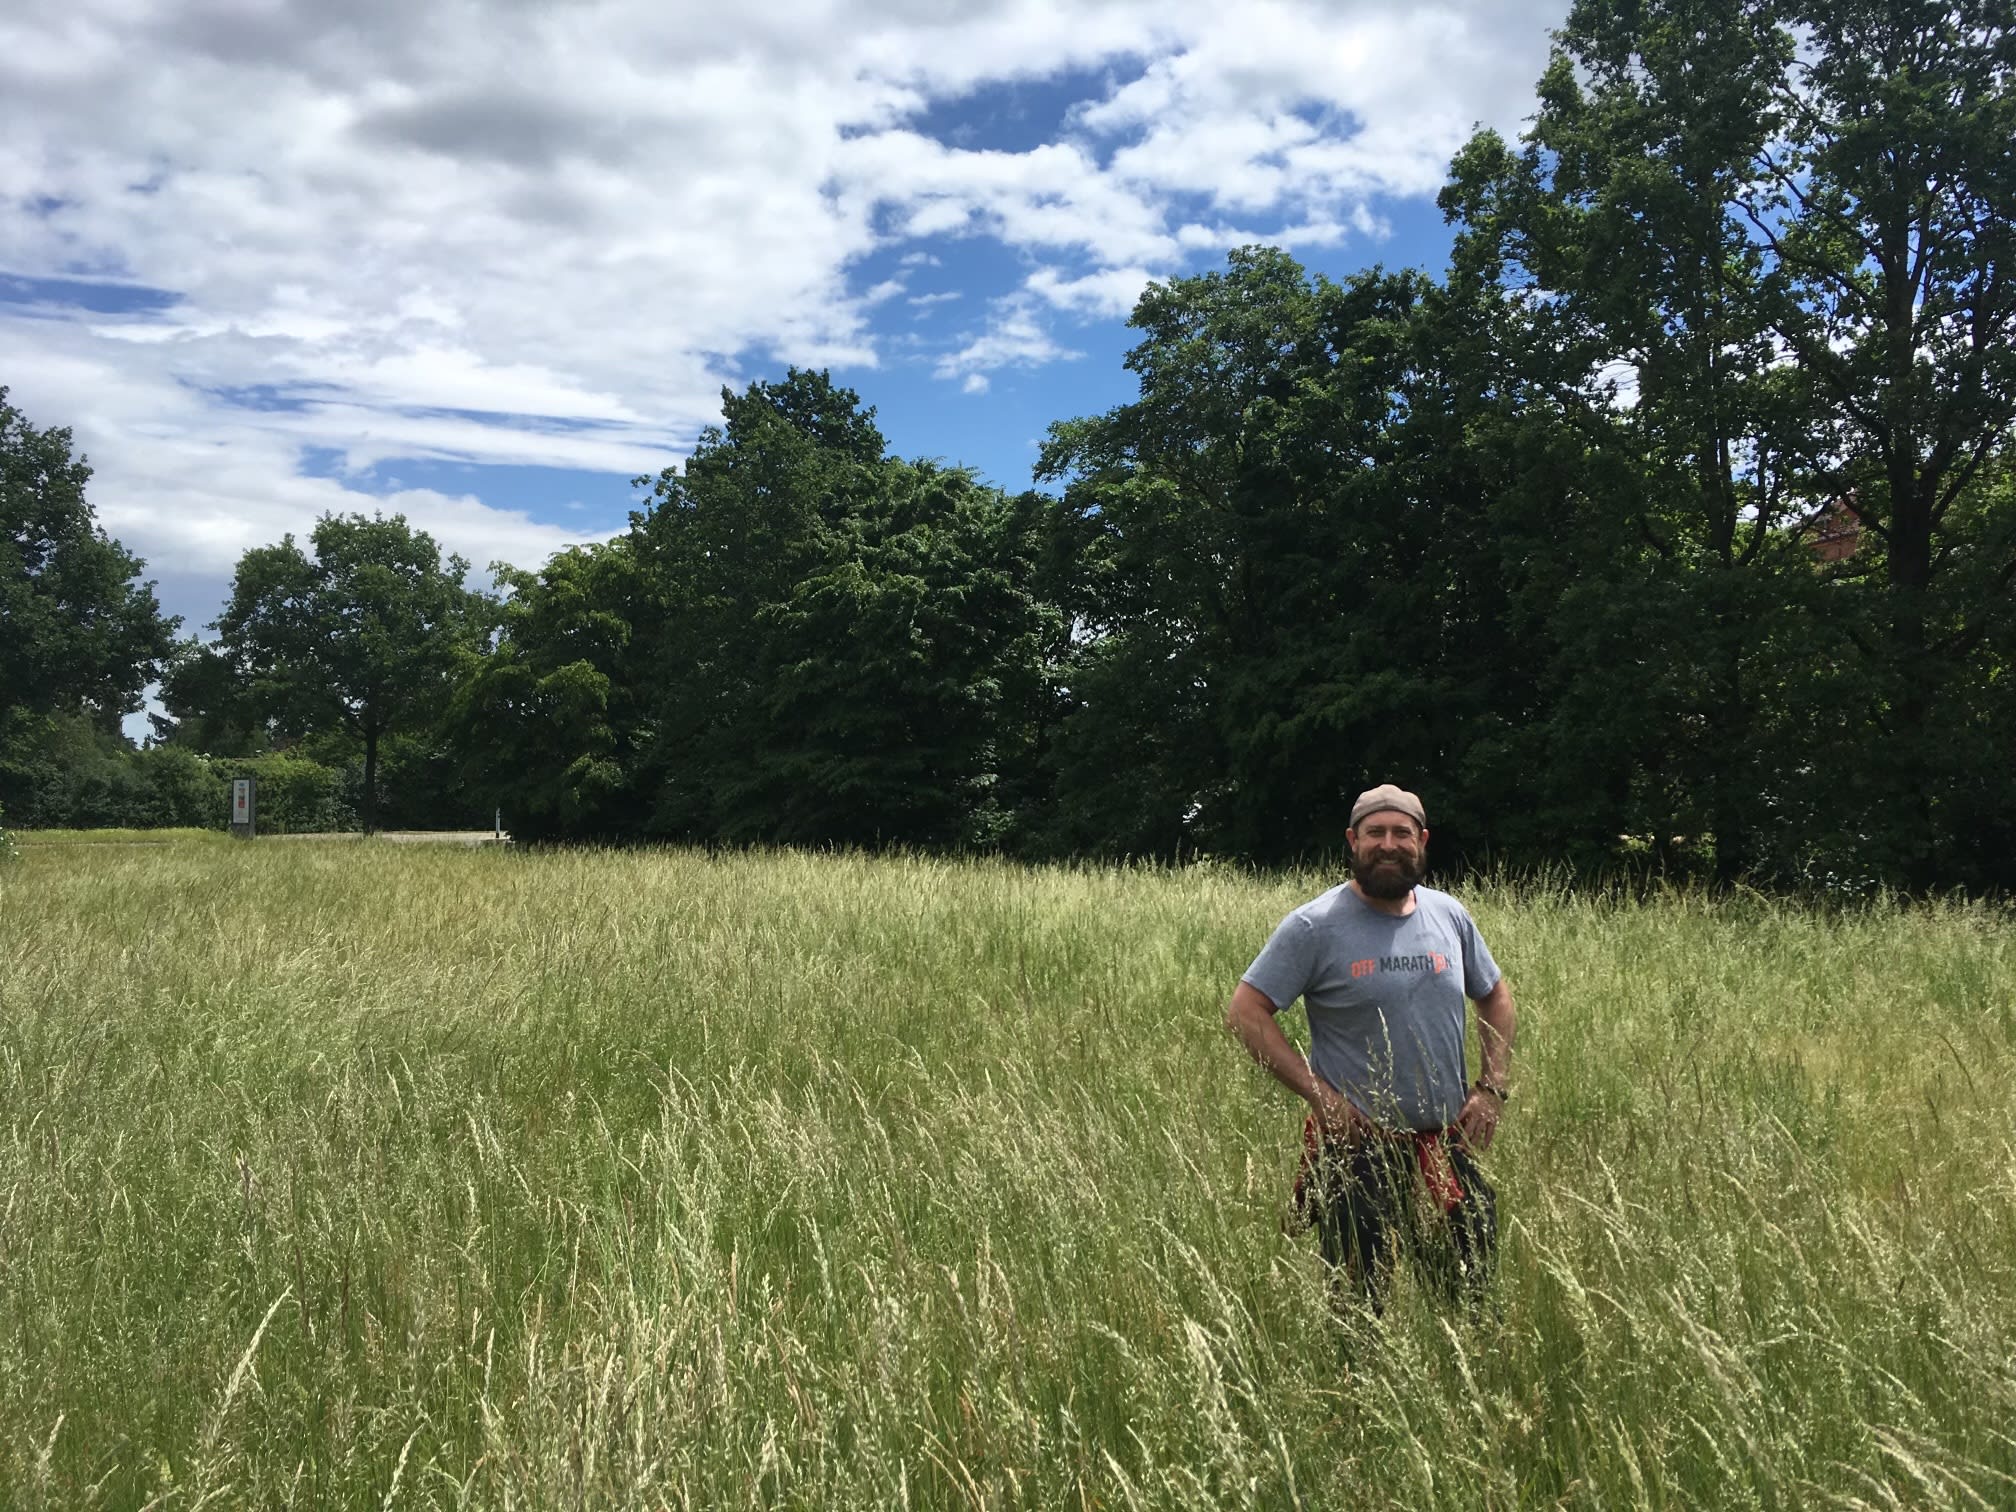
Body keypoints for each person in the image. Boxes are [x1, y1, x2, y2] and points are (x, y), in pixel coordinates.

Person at [1224, 783, 1516, 1312]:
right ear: (1352, 842)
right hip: (1359, 1152)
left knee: (1469, 1299)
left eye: (1401, 832)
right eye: (1374, 833)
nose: (1388, 844)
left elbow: (1495, 995)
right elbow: (1246, 1011)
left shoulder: (1449, 915)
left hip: (1444, 1146)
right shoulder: (1314, 925)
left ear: (1421, 840)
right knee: (1360, 1311)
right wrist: (1321, 1097)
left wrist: (1492, 1087)